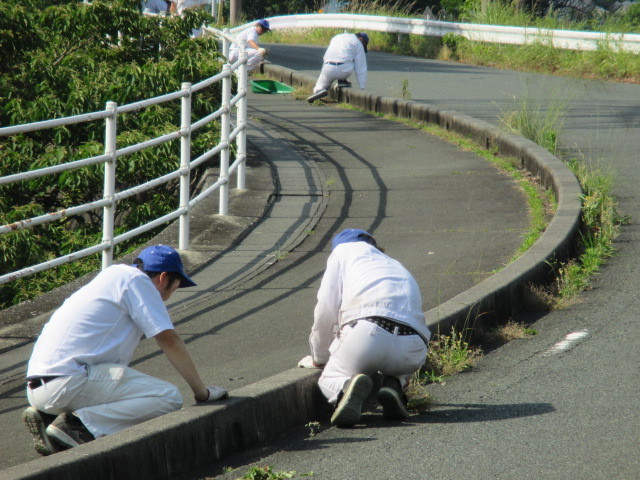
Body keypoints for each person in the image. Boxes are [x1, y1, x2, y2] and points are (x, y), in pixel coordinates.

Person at [22, 245, 228, 455]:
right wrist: (202, 393)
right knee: (168, 397)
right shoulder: (139, 282)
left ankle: (49, 417)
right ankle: (77, 428)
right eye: (173, 290)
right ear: (163, 278)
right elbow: (169, 340)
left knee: (122, 385)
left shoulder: (111, 276)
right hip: (68, 382)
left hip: (38, 386)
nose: (168, 298)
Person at [298, 229, 431, 427]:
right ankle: (395, 385)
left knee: (330, 377)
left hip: (369, 335)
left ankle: (345, 389)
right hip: (413, 345)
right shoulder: (394, 264)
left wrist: (319, 357)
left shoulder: (342, 253)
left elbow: (325, 310)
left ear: (338, 245)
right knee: (396, 353)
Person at [307, 32, 369, 103]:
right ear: (361, 39)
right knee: (349, 61)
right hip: (344, 70)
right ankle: (342, 80)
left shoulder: (337, 37)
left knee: (321, 84)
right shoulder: (358, 43)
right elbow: (361, 68)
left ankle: (318, 91)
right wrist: (362, 88)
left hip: (328, 67)